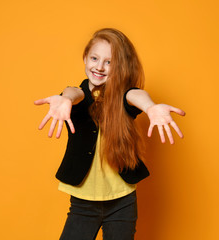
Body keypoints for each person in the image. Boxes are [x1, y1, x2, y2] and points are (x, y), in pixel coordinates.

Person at [34, 28, 185, 240]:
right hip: (83, 203)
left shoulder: (125, 96)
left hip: (122, 203)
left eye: (109, 62)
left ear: (120, 66)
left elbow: (136, 94)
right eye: (95, 58)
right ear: (85, 57)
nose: (99, 66)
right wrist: (65, 99)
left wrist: (151, 107)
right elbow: (73, 92)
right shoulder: (77, 97)